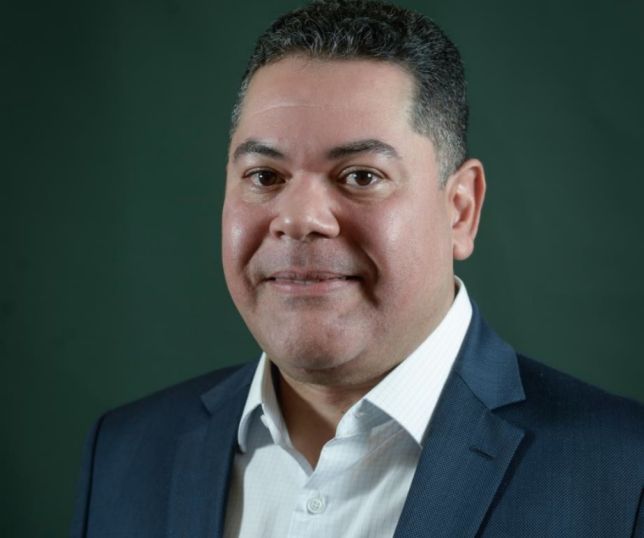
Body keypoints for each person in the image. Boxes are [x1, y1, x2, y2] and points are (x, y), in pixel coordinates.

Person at [71, 1, 644, 536]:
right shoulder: (126, 453)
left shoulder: (625, 473)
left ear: (460, 209)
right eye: (265, 177)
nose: (298, 219)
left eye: (361, 176)